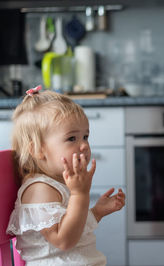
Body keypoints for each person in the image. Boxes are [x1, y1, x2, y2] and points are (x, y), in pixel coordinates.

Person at [6, 86, 126, 265]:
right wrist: (80, 195)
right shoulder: (39, 190)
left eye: (85, 136)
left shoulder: (58, 183)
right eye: (72, 138)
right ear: (38, 149)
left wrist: (97, 212)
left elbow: (75, 229)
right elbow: (64, 241)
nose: (84, 145)